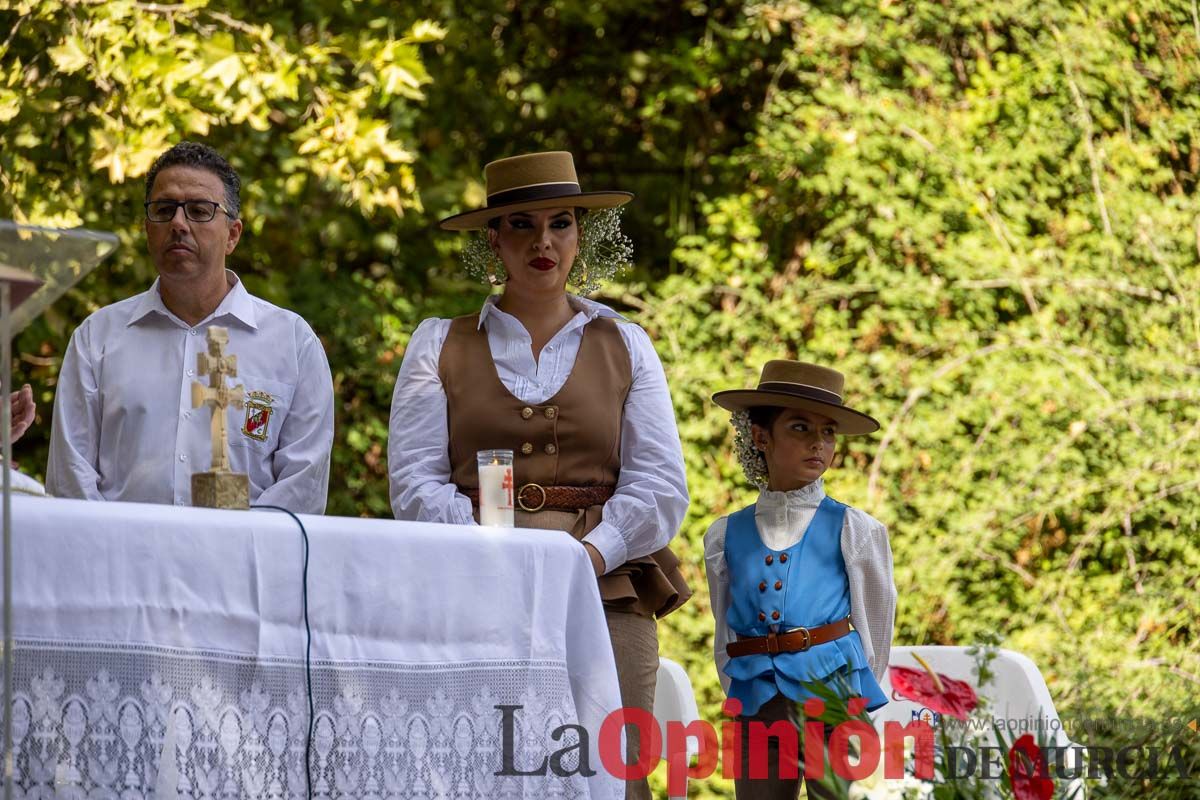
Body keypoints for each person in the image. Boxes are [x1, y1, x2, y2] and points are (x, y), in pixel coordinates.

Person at [389, 151, 691, 799]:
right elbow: (414, 485)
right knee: (477, 769)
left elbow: (661, 487)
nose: (543, 241)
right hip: (472, 584)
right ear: (493, 240)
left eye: (561, 223)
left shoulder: (627, 343)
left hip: (606, 586)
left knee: (615, 772)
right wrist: (491, 552)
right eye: (521, 225)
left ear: (582, 235)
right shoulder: (438, 342)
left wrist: (588, 554)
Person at [47, 142, 334, 513]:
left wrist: (236, 553)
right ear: (148, 229)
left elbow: (303, 485)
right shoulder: (97, 338)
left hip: (242, 564)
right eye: (164, 210)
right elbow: (71, 478)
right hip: (123, 562)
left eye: (199, 211)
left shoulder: (291, 343)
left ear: (233, 234)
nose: (179, 224)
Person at [705, 360, 896, 800]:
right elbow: (724, 627)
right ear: (760, 436)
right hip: (757, 696)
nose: (818, 443)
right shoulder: (725, 534)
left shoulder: (854, 528)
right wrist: (736, 689)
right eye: (799, 428)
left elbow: (875, 623)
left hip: (830, 691)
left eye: (828, 432)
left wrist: (857, 701)